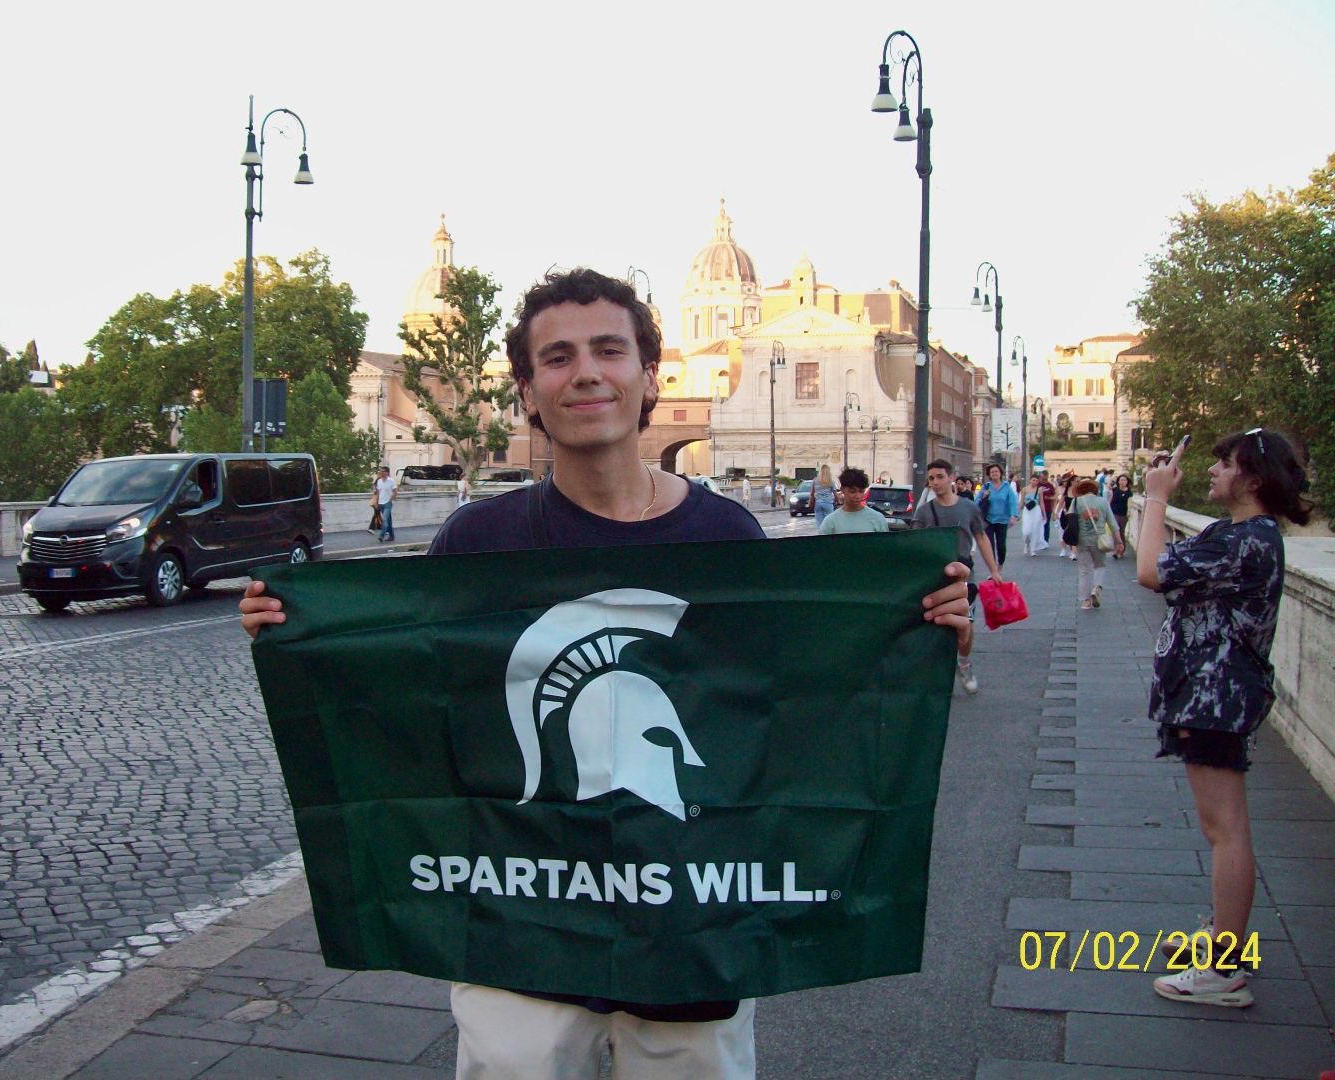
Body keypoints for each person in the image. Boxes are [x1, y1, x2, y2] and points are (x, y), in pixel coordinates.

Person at [240, 267, 974, 1079]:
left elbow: (781, 709)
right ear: (526, 391)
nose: (584, 372)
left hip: (692, 937)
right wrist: (306, 637)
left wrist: (909, 635)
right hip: (521, 946)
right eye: (556, 358)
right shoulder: (474, 545)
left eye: (608, 350)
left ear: (650, 376)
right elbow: (417, 707)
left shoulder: (725, 535)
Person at [1140, 429, 1311, 1009]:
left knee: (1225, 829)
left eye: (1225, 463)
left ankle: (1223, 968)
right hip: (1211, 692)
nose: (1213, 471)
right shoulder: (1237, 535)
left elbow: (1148, 570)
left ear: (1253, 480)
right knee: (1225, 826)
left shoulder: (1244, 542)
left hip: (1216, 695)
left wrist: (1158, 495)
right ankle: (1222, 938)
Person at [910, 458, 1001, 696]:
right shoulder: (924, 512)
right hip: (936, 576)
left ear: (951, 478)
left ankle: (964, 663)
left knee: (966, 626)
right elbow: (914, 544)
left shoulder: (969, 508)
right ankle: (940, 671)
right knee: (938, 623)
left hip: (965, 575)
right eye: (931, 478)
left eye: (940, 477)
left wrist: (994, 571)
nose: (935, 482)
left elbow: (981, 538)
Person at [1071, 478, 1123, 608]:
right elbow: (1112, 523)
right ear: (1095, 489)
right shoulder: (1103, 502)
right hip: (1099, 540)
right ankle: (1096, 588)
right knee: (1100, 565)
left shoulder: (1076, 501)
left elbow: (1070, 521)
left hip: (1081, 540)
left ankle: (1086, 601)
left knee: (1084, 570)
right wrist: (1119, 541)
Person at [818, 468, 889, 535]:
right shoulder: (830, 522)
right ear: (842, 490)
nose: (857, 496)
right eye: (852, 492)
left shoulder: (877, 518)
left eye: (861, 491)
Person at [978, 463, 1020, 568]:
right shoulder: (986, 486)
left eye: (996, 471)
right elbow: (976, 501)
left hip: (1002, 520)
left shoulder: (1006, 487)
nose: (994, 474)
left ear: (1000, 473)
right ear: (989, 474)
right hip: (988, 520)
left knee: (1001, 545)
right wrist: (984, 496)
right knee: (990, 545)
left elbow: (1012, 502)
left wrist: (1013, 515)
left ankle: (1000, 564)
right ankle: (993, 568)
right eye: (992, 472)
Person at [1019, 474, 1048, 556]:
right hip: (1027, 510)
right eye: (1033, 480)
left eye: (1036, 480)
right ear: (1030, 480)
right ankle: (1026, 543)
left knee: (1035, 529)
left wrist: (1044, 514)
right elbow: (1021, 502)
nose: (1035, 482)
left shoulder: (1039, 490)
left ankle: (1033, 549)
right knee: (1026, 531)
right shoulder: (1024, 489)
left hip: (1036, 510)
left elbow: (1041, 502)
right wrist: (1017, 513)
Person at [1108, 473, 1132, 557]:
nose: (1123, 481)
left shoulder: (1129, 492)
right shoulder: (1114, 490)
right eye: (1121, 480)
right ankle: (1116, 550)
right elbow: (1110, 501)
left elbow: (1129, 503)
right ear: (1118, 481)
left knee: (1121, 532)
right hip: (1114, 513)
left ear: (1127, 482)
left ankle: (1121, 550)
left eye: (1125, 480)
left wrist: (1129, 512)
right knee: (1115, 531)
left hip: (1123, 514)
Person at [1056, 473, 1079, 560]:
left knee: (1074, 533)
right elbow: (1061, 502)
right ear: (1072, 481)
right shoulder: (1066, 490)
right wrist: (1056, 512)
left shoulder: (1079, 491)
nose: (1078, 482)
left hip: (1075, 515)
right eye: (1077, 481)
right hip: (1065, 514)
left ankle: (1073, 552)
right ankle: (1063, 549)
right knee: (1063, 531)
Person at [373, 465, 396, 542]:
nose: (382, 473)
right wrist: (376, 503)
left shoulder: (391, 481)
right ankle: (392, 536)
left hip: (388, 503)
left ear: (387, 473)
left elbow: (395, 492)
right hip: (381, 503)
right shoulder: (379, 481)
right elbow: (378, 493)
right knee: (388, 521)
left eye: (383, 471)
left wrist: (390, 500)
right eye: (381, 471)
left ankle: (381, 536)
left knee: (385, 519)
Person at [811, 463, 837, 529]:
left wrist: (811, 500)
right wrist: (837, 500)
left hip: (818, 503)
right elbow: (835, 493)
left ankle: (821, 535)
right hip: (828, 503)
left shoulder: (815, 480)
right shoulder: (831, 481)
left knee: (819, 522)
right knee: (829, 521)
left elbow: (812, 493)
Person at [1037, 471, 1058, 544]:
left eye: (1046, 479)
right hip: (1037, 509)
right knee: (1037, 525)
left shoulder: (1050, 486)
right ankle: (1037, 540)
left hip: (1047, 508)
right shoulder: (1037, 485)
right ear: (1040, 477)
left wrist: (1050, 498)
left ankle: (1045, 541)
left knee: (1046, 525)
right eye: (1043, 479)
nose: (1044, 481)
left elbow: (1055, 497)